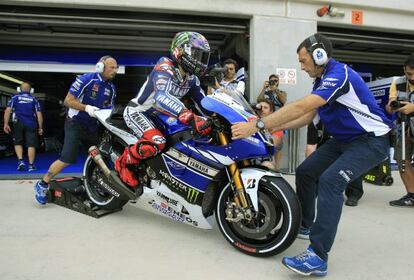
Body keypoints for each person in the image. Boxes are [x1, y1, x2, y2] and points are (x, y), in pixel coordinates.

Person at [231, 33, 392, 276]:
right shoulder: (321, 80)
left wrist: (257, 126)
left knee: (331, 181)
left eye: (303, 60)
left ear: (320, 56)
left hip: (371, 140)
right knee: (306, 171)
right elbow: (307, 117)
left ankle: (318, 256)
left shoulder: (340, 75)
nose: (301, 66)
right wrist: (271, 127)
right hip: (343, 140)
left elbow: (302, 106)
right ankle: (306, 224)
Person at [115, 31, 212, 187]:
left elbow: (204, 103)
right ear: (180, 50)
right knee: (157, 142)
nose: (198, 60)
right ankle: (123, 163)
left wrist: (223, 115)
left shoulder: (192, 79)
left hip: (160, 115)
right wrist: (190, 116)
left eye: (202, 57)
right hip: (139, 111)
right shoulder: (164, 66)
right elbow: (161, 97)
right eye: (195, 54)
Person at [34, 55, 118, 205]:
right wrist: (86, 107)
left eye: (116, 67)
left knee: (101, 156)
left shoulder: (111, 87)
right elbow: (68, 100)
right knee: (67, 158)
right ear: (100, 67)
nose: (115, 70)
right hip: (75, 123)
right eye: (112, 67)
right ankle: (43, 183)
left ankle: (97, 186)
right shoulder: (86, 79)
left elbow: (109, 108)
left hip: (92, 126)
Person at [306, 122, 364, 207]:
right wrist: (309, 165)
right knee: (314, 166)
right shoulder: (315, 121)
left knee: (352, 165)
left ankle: (354, 193)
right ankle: (313, 190)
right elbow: (311, 145)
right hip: (326, 144)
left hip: (349, 140)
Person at [386, 54, 414, 207]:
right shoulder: (397, 83)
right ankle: (412, 195)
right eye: (409, 73)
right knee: (402, 159)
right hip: (404, 127)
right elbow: (390, 104)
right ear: (404, 70)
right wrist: (391, 106)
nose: (412, 77)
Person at [3, 82, 43, 171]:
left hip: (18, 123)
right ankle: (31, 165)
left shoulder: (14, 98)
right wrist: (40, 127)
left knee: (18, 142)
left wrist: (5, 124)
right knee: (31, 144)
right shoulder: (34, 99)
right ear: (30, 90)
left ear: (20, 89)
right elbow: (39, 114)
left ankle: (21, 161)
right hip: (31, 124)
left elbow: (7, 110)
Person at [256, 98, 283, 171]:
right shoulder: (250, 120)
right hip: (247, 157)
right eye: (260, 107)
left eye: (265, 108)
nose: (262, 109)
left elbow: (274, 142)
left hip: (265, 158)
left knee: (267, 165)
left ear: (271, 111)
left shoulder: (275, 125)